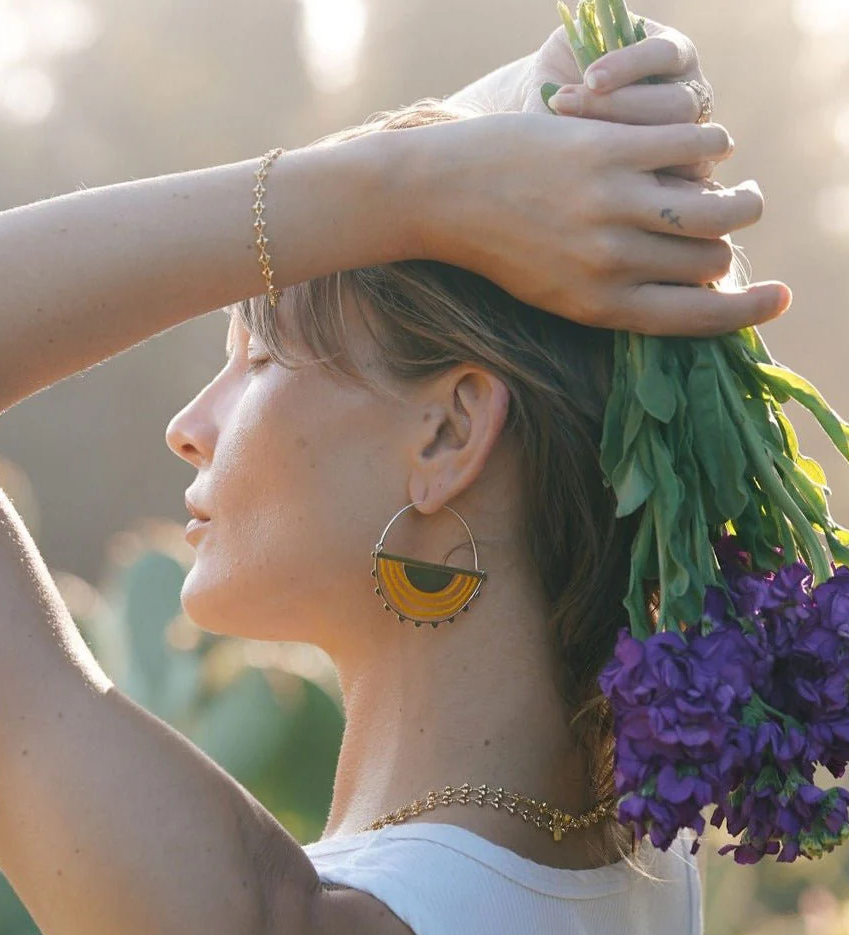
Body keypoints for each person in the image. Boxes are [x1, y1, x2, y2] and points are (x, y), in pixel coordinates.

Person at [0, 14, 791, 935]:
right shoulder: (643, 858)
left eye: (257, 357)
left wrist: (406, 191)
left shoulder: (276, 915)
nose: (189, 428)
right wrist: (532, 109)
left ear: (449, 431)